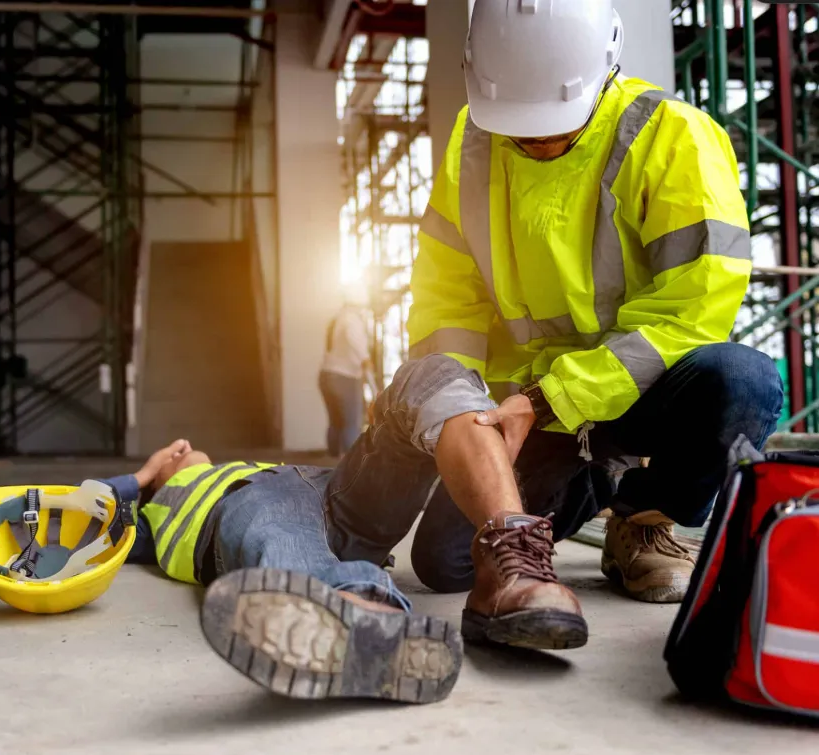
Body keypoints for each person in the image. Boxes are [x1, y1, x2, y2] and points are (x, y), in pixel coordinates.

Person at [313, 0, 783, 648]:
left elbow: (693, 309)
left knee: (744, 381)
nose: (535, 141)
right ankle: (593, 481)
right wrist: (464, 417)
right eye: (520, 127)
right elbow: (448, 301)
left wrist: (552, 397)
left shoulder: (672, 138)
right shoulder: (470, 150)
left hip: (631, 395)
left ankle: (644, 518)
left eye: (555, 127)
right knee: (446, 564)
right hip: (522, 413)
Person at [102, 440, 463, 704]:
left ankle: (358, 620)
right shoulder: (149, 516)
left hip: (324, 491)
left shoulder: (241, 466)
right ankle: (366, 615)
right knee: (277, 529)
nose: (182, 447)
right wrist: (138, 477)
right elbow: (72, 516)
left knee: (403, 418)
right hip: (256, 508)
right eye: (171, 452)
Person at [319, 282, 377, 456]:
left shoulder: (338, 317)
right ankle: (352, 467)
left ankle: (330, 462)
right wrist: (366, 359)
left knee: (335, 422)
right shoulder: (352, 319)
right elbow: (356, 343)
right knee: (351, 423)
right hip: (345, 377)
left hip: (327, 375)